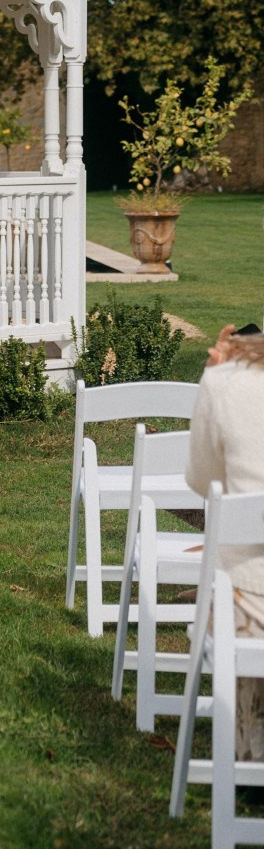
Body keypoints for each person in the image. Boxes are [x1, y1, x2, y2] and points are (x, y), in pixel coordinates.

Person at [188, 325, 264, 765]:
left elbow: (202, 483)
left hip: (249, 605)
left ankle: (250, 750)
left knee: (236, 579)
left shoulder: (224, 383)